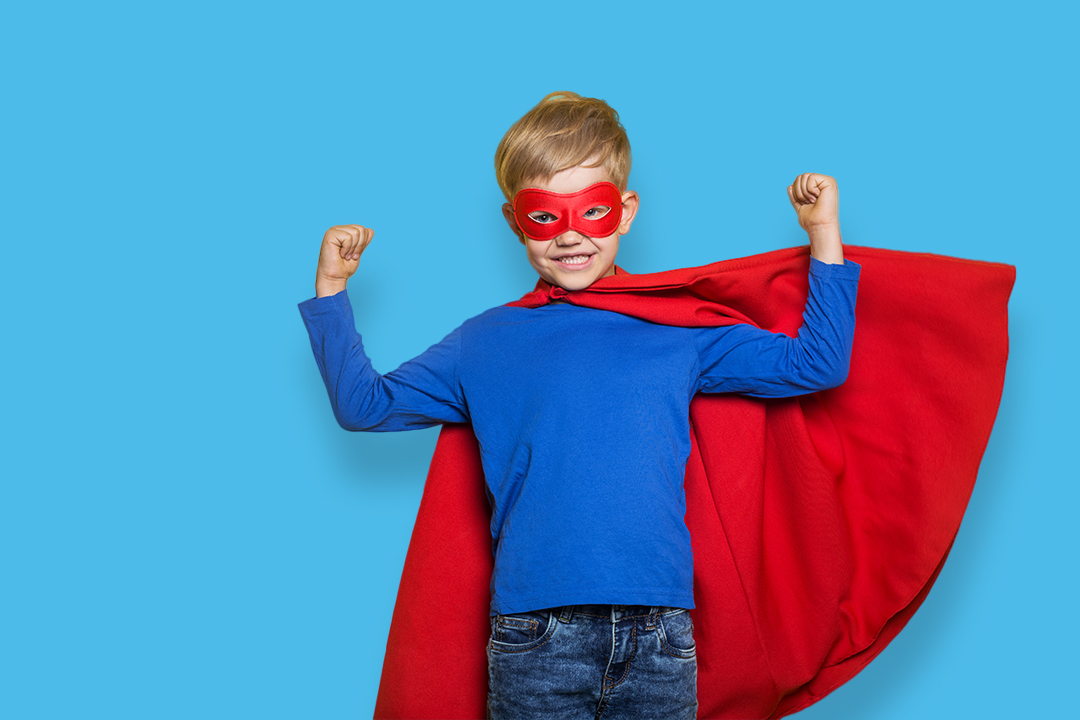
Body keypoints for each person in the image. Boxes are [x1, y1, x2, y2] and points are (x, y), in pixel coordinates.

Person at [298, 92, 860, 719]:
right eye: (545, 217)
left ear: (625, 213)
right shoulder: (484, 343)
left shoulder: (680, 329)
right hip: (535, 635)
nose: (569, 236)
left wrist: (824, 235)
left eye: (590, 211)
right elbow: (365, 405)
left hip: (660, 633)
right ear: (515, 220)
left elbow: (816, 365)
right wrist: (331, 291)